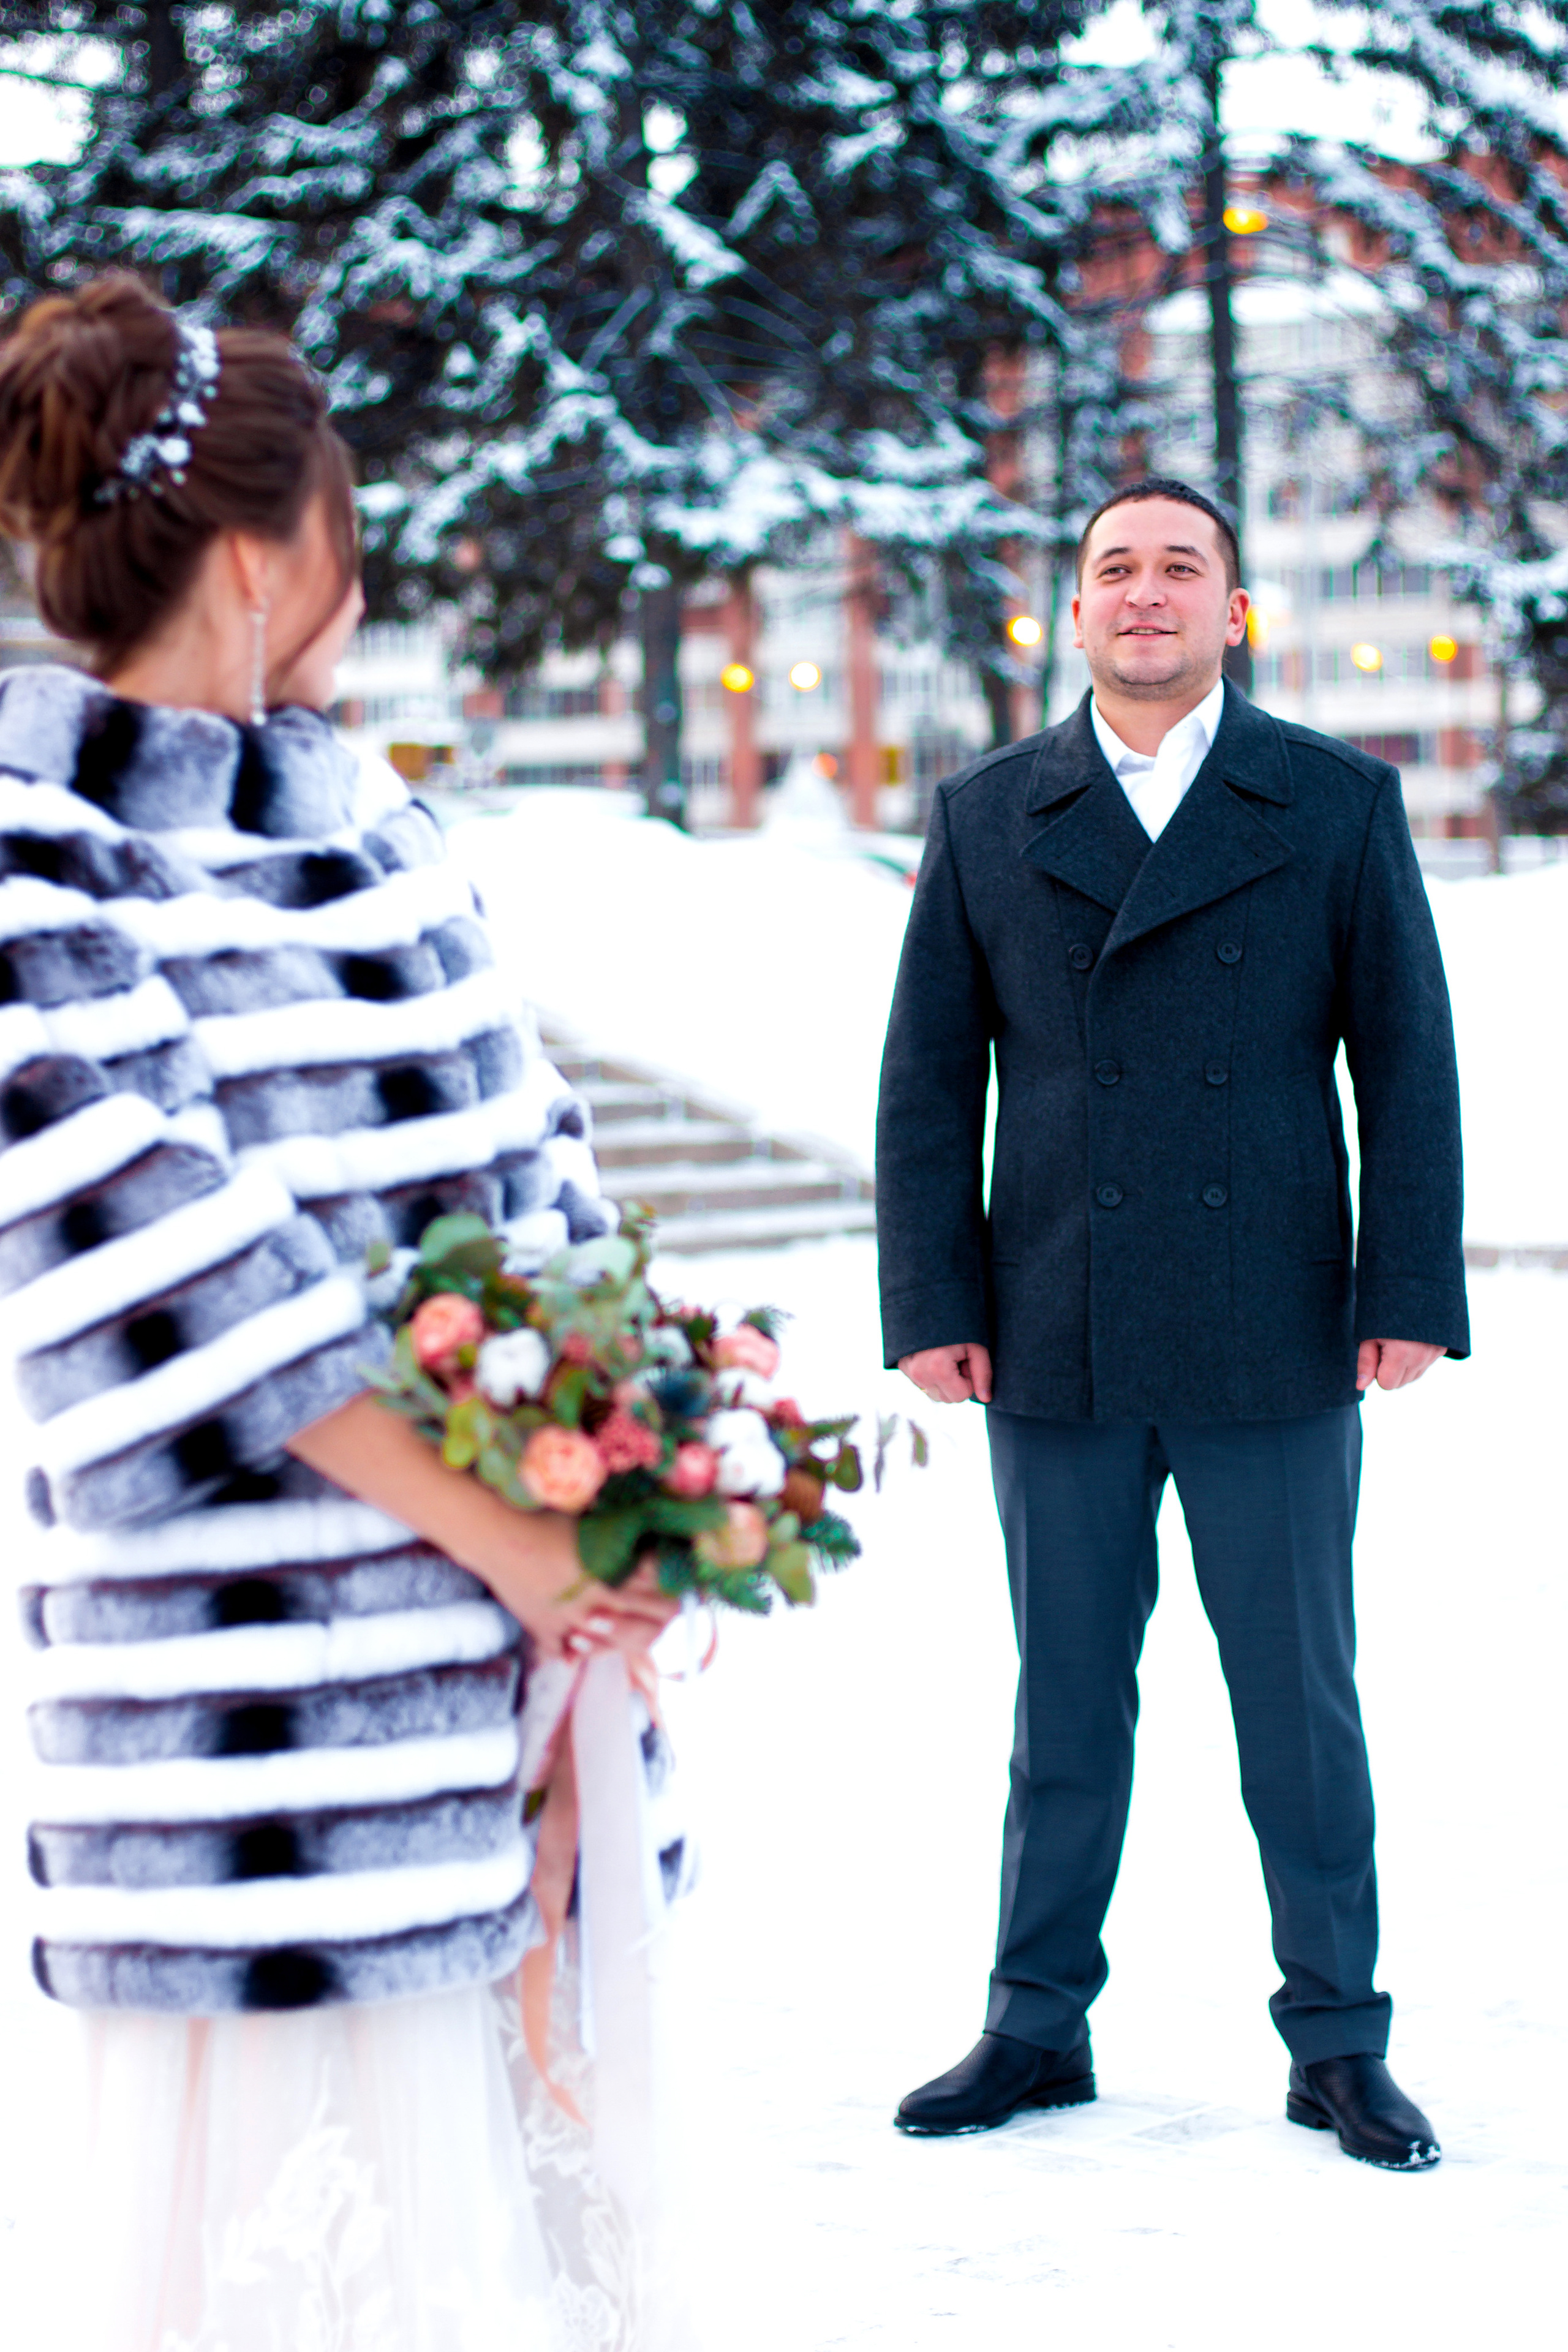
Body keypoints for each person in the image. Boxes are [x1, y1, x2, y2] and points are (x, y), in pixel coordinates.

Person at [0, 274, 676, 2350]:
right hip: (256, 1777)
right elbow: (180, 1287)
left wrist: (634, 1504)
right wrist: (530, 1547)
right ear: (261, 545)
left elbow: (543, 1173)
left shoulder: (381, 825)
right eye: (349, 526)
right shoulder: (40, 865)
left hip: (505, 1727)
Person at [875, 476, 1467, 2169]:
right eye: (1114, 570)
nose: (1146, 594)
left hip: (1275, 1320)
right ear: (1074, 614)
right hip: (1049, 1319)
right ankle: (1034, 2022)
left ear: (1234, 610)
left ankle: (1338, 2040)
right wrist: (932, 1297)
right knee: (1063, 1701)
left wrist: (1406, 1289)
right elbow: (927, 1082)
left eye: (1180, 568)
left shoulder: (1337, 800)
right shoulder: (992, 809)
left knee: (1300, 1700)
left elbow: (1406, 1061)